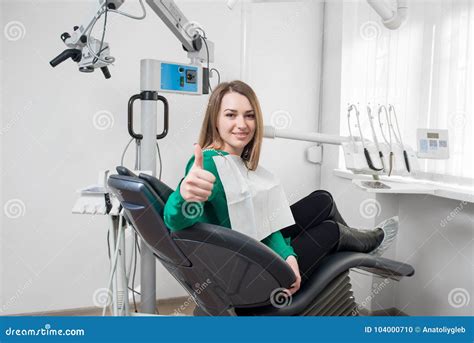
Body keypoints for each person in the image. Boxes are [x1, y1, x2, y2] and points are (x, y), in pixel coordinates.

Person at [164, 80, 397, 296]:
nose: (241, 124)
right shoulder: (208, 165)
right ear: (215, 120)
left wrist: (288, 255)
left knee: (322, 200)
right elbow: (174, 221)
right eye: (230, 115)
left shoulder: (235, 160)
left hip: (254, 249)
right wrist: (183, 196)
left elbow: (261, 223)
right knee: (331, 231)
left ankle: (361, 249)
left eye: (249, 116)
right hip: (246, 269)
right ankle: (368, 245)